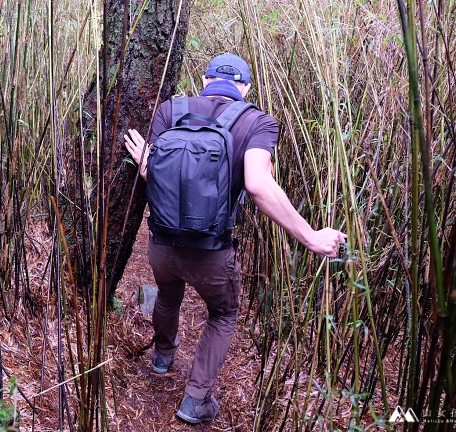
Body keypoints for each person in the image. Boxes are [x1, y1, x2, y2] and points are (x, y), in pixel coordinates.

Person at [123, 53, 347, 424]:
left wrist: (144, 163)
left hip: (162, 243)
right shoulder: (257, 122)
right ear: (245, 88)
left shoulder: (170, 109)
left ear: (206, 80)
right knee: (224, 314)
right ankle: (195, 400)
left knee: (167, 293)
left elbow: (156, 174)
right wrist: (309, 236)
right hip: (210, 251)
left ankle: (162, 357)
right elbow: (258, 184)